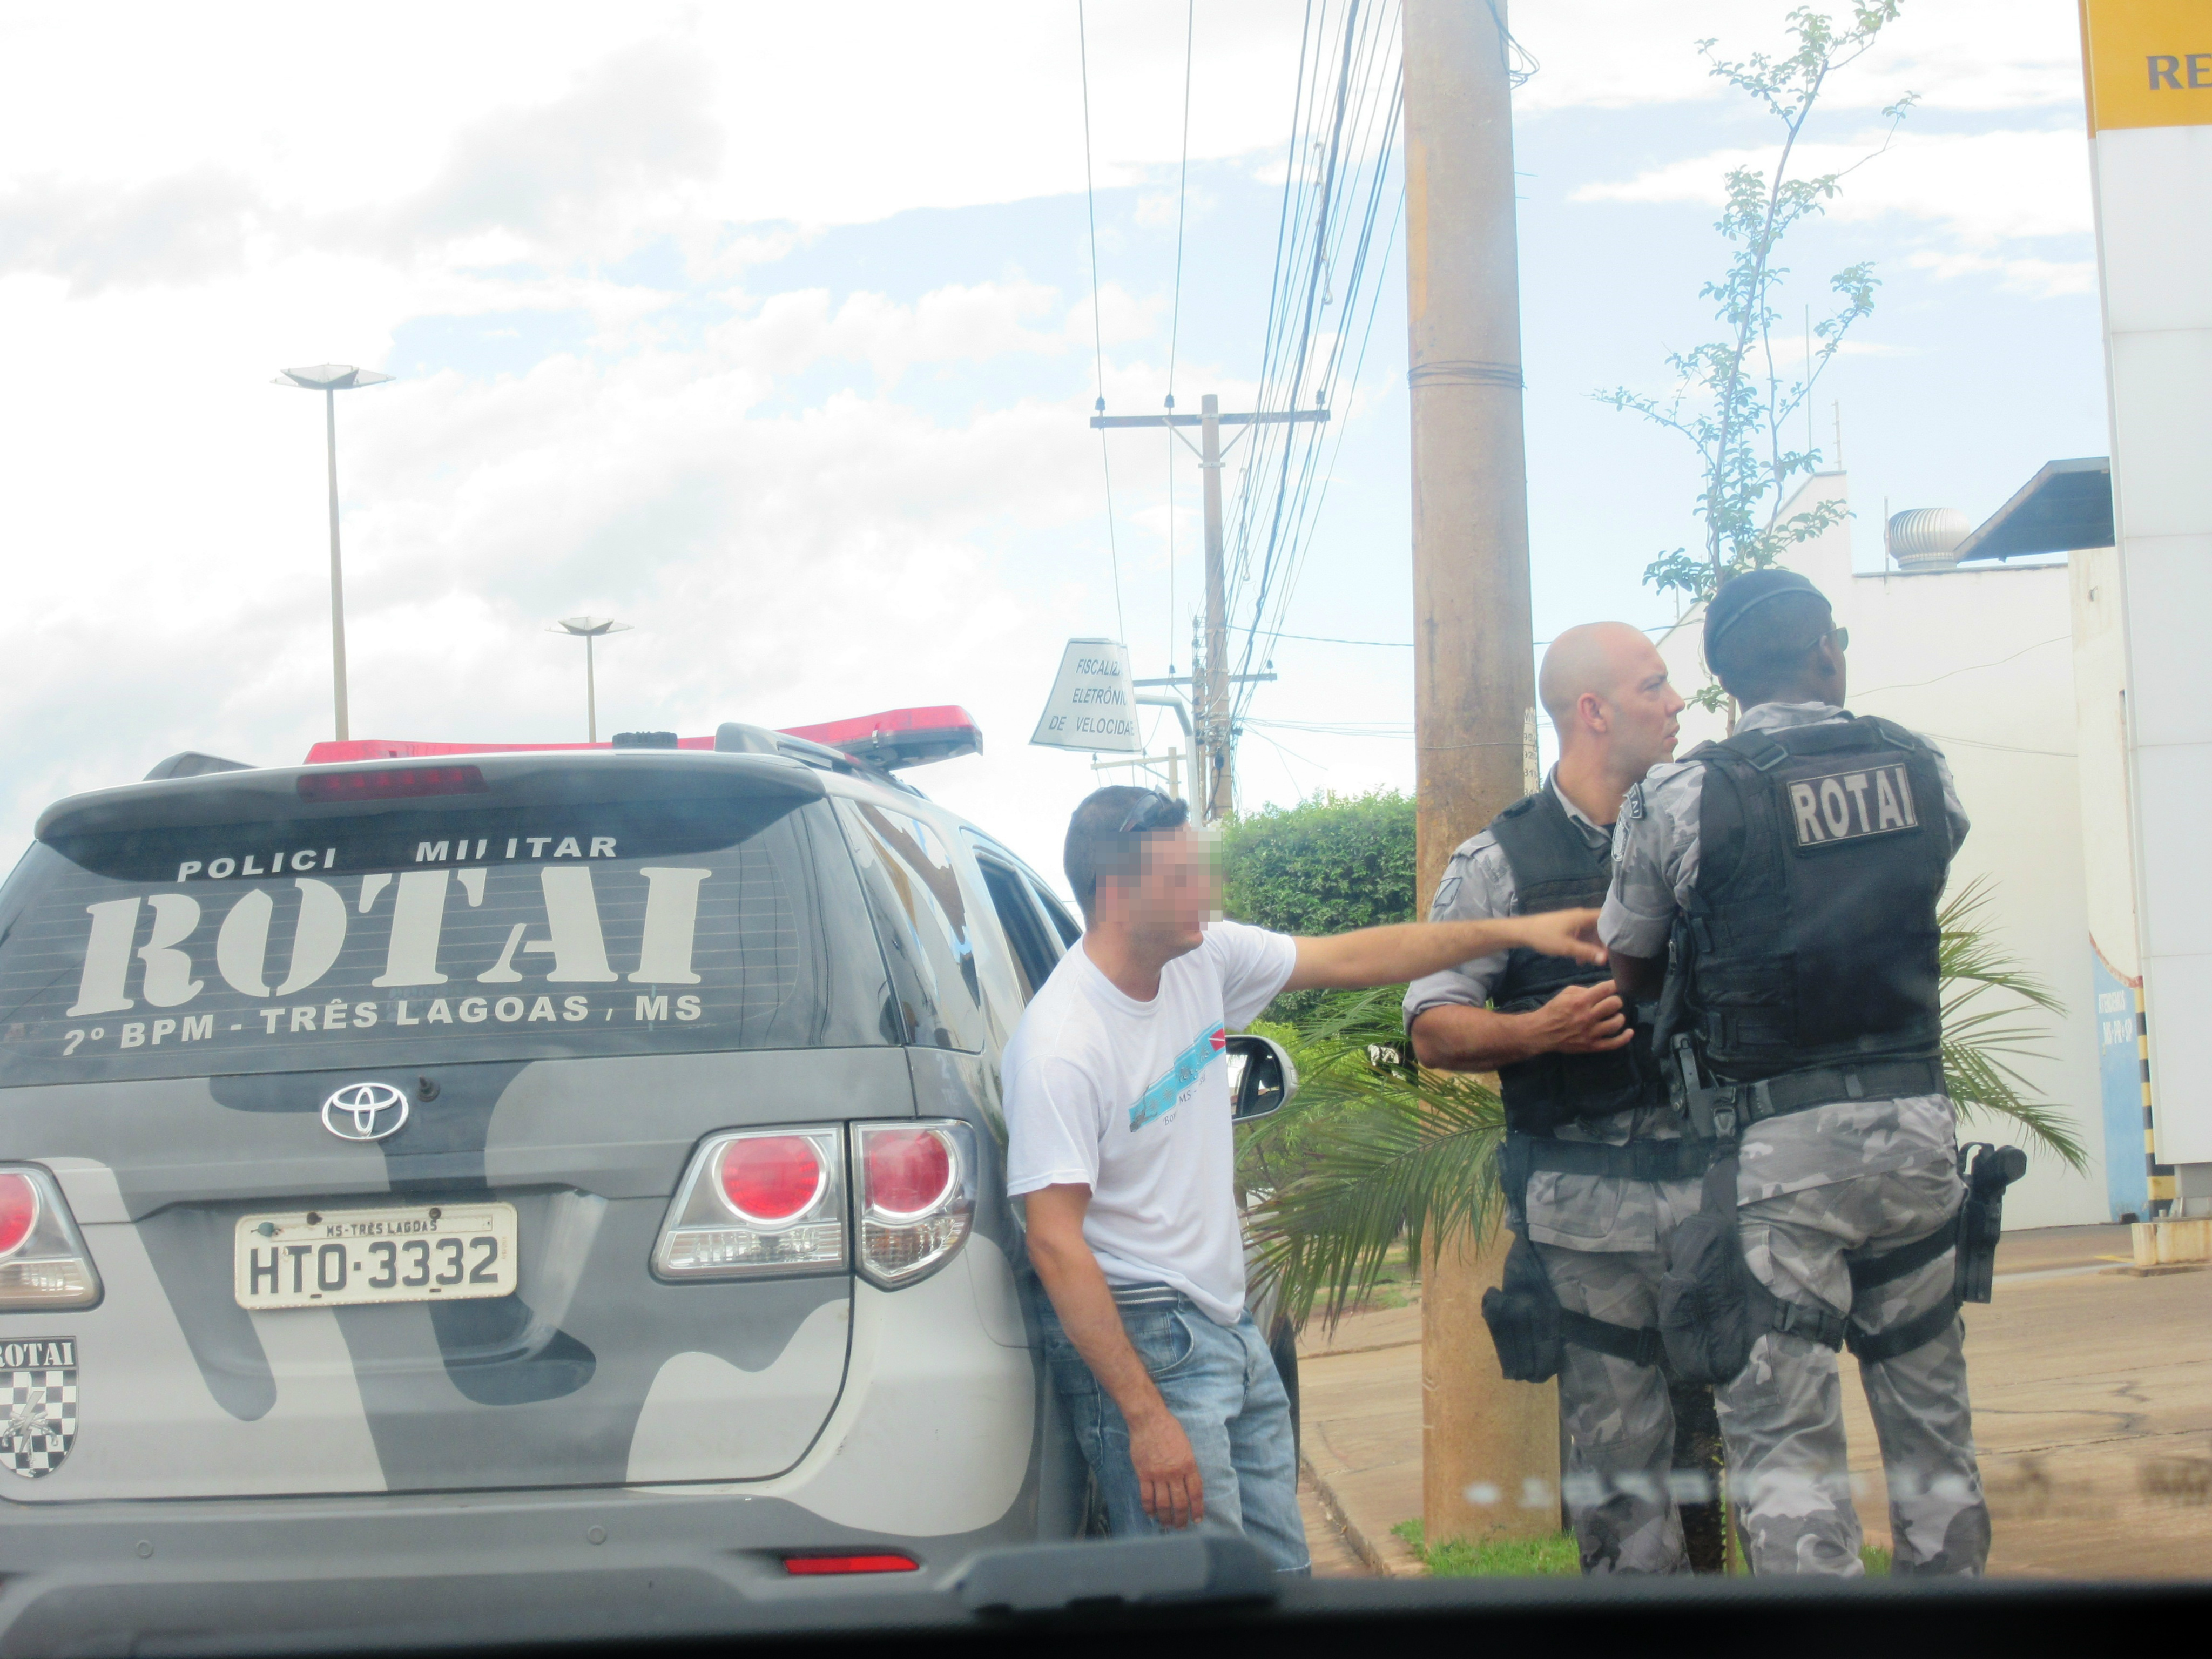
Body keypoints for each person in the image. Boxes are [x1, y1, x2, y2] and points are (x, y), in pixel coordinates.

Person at [1006, 783, 1606, 1572]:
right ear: (1118, 893)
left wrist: (1516, 930)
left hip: (1226, 1318)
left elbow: (1355, 956)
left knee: (1284, 1581)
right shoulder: (1062, 1045)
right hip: (1146, 1339)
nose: (1206, 893)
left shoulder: (1202, 959)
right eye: (1183, 876)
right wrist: (1144, 1418)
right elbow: (1054, 1244)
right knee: (1200, 1601)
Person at [1601, 568, 1990, 1576]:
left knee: (1785, 1450)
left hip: (1771, 1159)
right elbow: (1914, 879)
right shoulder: (1919, 766)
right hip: (1915, 1138)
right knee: (1934, 1439)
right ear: (1829, 652)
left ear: (1724, 681)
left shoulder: (1683, 794)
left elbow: (1633, 965)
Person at [1405, 621, 1699, 1576]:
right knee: (1624, 1487)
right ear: (1595, 711)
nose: (1677, 702)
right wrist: (1541, 1032)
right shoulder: (1501, 864)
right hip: (1590, 1216)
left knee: (1747, 1467)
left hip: (1726, 1199)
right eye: (1656, 685)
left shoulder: (1709, 831)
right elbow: (1431, 1027)